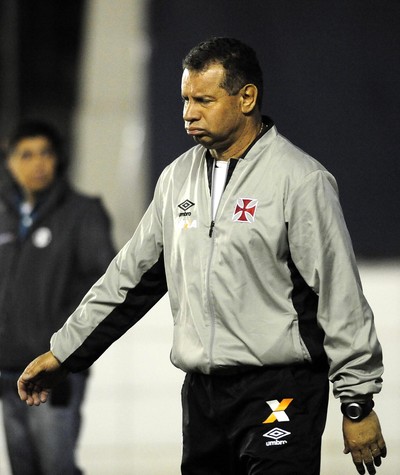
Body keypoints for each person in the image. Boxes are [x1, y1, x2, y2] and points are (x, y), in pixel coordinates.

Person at [17, 38, 386, 475]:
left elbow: (339, 296)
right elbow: (127, 280)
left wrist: (357, 403)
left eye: (204, 100)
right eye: (185, 99)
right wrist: (64, 352)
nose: (189, 112)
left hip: (280, 389)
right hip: (203, 398)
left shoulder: (301, 181)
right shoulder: (176, 180)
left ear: (246, 97)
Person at [0, 120, 116, 475]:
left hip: (54, 370)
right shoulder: (3, 215)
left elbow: (104, 284)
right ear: (10, 161)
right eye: (27, 154)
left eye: (46, 153)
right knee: (24, 469)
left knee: (56, 468)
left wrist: (62, 346)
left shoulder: (82, 213)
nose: (38, 163)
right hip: (7, 372)